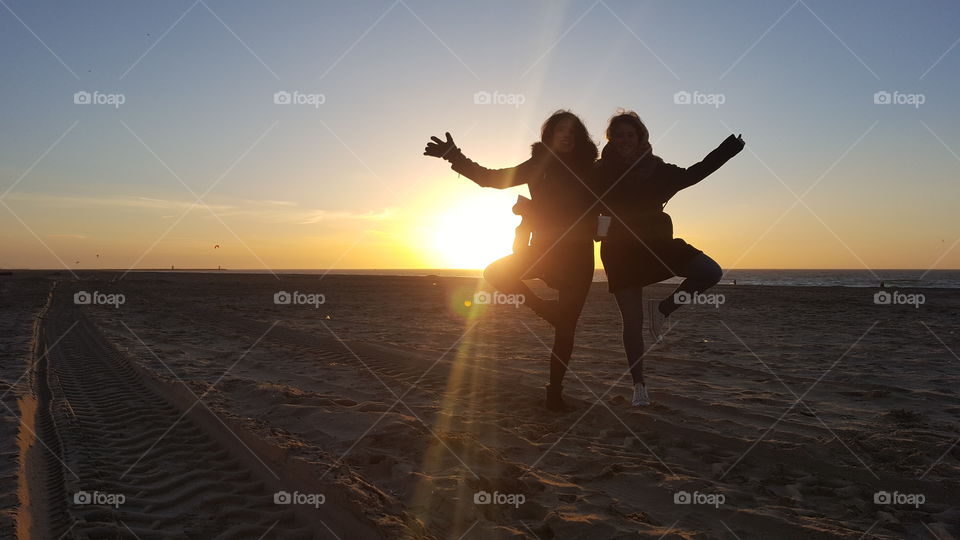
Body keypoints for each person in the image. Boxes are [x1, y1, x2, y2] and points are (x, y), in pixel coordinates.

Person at [423, 111, 600, 411]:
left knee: (566, 329)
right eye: (560, 130)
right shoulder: (538, 165)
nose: (566, 135)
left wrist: (605, 233)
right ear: (550, 135)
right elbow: (492, 178)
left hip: (579, 258)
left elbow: (611, 204)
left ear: (580, 136)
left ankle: (554, 393)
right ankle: (545, 309)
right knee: (495, 272)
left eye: (572, 131)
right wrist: (455, 156)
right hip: (543, 252)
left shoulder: (593, 169)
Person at [596, 111, 744, 406]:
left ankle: (663, 309)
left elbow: (694, 173)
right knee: (632, 323)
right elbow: (593, 206)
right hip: (620, 251)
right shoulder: (600, 172)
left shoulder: (656, 169)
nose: (625, 140)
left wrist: (727, 150)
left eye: (630, 135)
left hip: (657, 244)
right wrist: (599, 233)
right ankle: (639, 386)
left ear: (640, 138)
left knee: (710, 271)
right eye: (619, 136)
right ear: (611, 140)